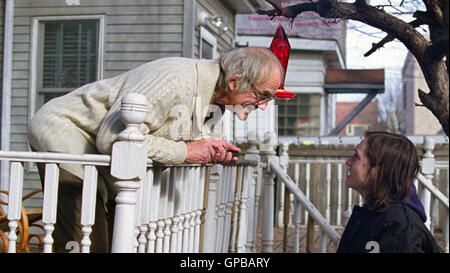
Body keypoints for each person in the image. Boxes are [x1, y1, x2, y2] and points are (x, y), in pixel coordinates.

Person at [28, 47, 283, 252]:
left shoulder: (214, 102)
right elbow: (115, 137)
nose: (262, 106)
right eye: (263, 96)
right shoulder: (175, 78)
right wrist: (187, 152)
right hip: (68, 131)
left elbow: (187, 142)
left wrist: (211, 150)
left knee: (121, 234)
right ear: (235, 81)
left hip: (101, 153)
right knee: (85, 232)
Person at [337, 131, 440, 253]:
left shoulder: (400, 229)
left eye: (356, 157)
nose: (348, 162)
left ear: (379, 171)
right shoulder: (374, 213)